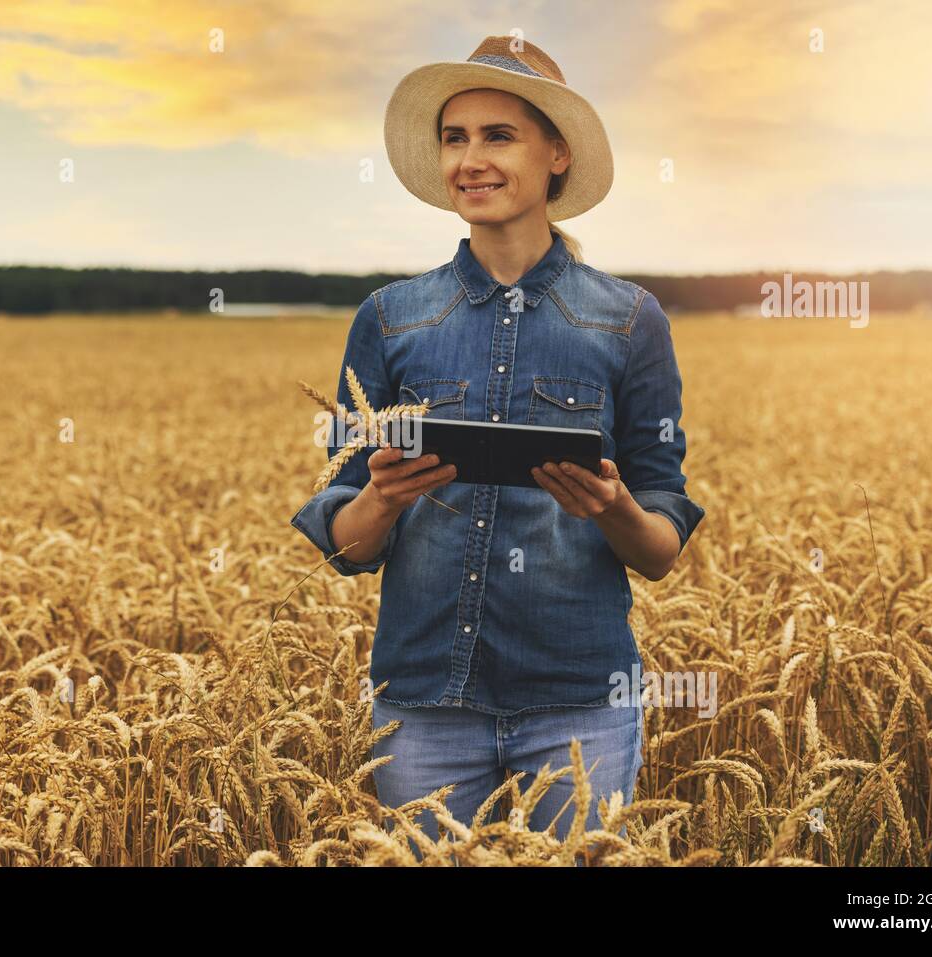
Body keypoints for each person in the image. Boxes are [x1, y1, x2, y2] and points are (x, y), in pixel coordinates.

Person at [290, 35, 706, 859]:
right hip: (423, 705)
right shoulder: (389, 319)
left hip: (580, 703)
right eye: (455, 138)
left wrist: (616, 506)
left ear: (557, 154)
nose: (470, 159)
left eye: (498, 136)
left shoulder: (629, 321)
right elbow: (342, 541)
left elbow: (660, 547)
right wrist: (384, 495)